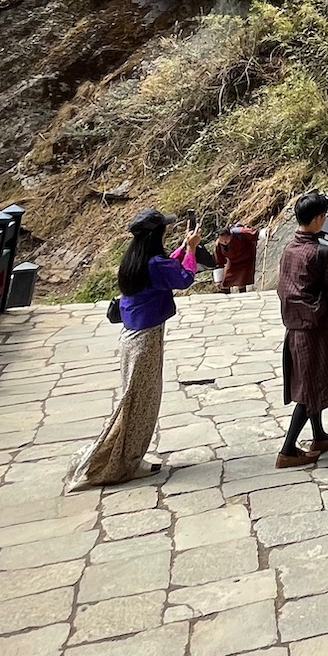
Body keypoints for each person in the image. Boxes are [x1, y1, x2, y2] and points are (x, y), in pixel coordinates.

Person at [70, 208, 199, 490]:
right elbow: (184, 278)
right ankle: (120, 461)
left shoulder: (136, 259)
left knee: (138, 402)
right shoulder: (153, 263)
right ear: (156, 234)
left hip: (134, 338)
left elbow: (166, 269)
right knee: (140, 404)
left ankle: (129, 457)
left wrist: (182, 249)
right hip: (146, 342)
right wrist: (190, 249)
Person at [275, 189, 328, 469]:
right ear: (319, 218)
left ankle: (318, 435)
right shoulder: (318, 252)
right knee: (310, 388)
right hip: (313, 328)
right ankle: (287, 450)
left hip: (296, 325)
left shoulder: (290, 248)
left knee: (313, 382)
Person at [213, 223, 260, 294]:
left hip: (246, 259)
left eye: (226, 241)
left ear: (230, 235)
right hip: (232, 261)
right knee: (225, 282)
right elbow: (219, 261)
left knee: (241, 282)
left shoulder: (240, 232)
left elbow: (255, 234)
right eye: (222, 241)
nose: (224, 243)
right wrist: (218, 280)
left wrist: (265, 233)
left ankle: (243, 296)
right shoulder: (218, 245)